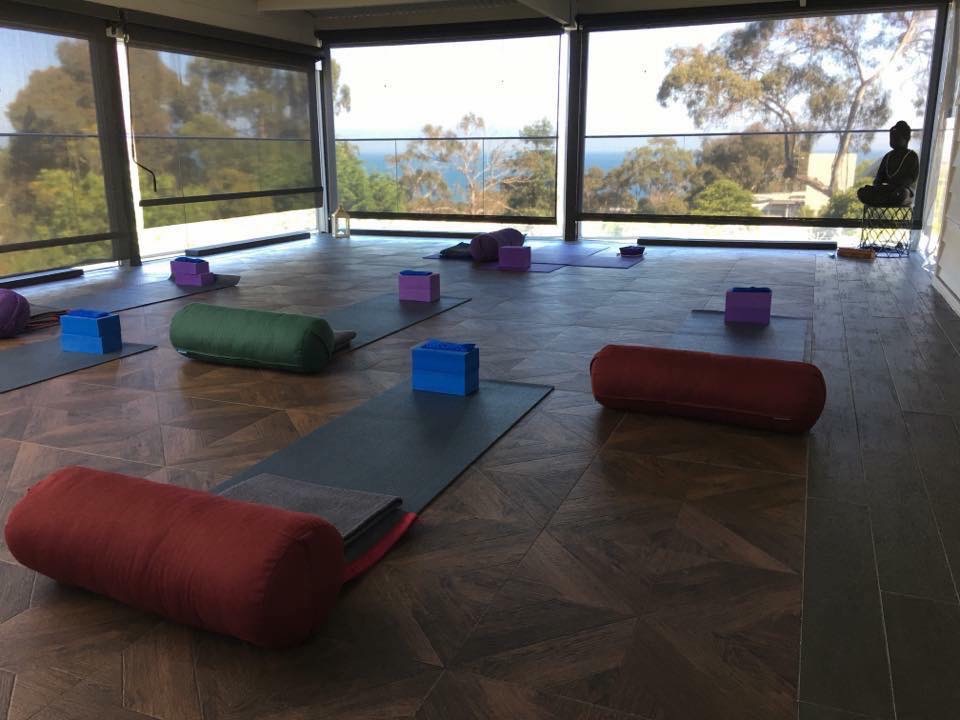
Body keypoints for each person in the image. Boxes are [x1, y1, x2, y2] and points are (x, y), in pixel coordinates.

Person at [856, 120, 919, 208]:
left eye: (896, 137)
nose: (892, 140)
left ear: (906, 138)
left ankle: (882, 200)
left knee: (901, 194)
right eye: (891, 137)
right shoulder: (888, 156)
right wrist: (879, 185)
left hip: (903, 191)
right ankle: (883, 199)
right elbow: (878, 179)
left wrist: (894, 186)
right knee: (862, 192)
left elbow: (911, 178)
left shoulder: (912, 156)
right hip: (888, 190)